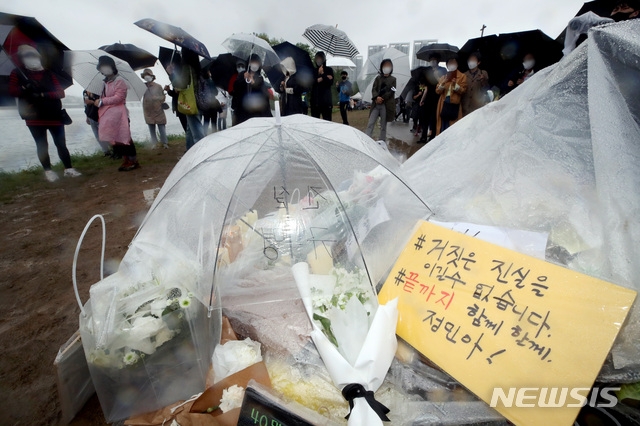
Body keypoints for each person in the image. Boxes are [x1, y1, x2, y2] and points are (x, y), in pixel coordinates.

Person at [8, 45, 81, 182]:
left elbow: (60, 93)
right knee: (42, 145)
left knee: (61, 143)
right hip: (33, 116)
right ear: (22, 59)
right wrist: (25, 87)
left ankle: (69, 168)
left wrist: (43, 94)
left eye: (34, 56)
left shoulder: (49, 73)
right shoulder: (16, 73)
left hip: (54, 114)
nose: (32, 59)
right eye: (27, 56)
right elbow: (12, 91)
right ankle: (48, 171)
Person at [94, 55, 139, 171]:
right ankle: (126, 159)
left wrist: (102, 101)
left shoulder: (119, 81)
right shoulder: (105, 83)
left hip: (120, 115)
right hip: (110, 116)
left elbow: (119, 97)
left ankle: (133, 160)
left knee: (125, 138)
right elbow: (105, 97)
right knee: (117, 139)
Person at [232, 54, 272, 124]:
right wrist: (243, 80)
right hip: (243, 110)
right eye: (253, 62)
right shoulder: (242, 75)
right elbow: (236, 89)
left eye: (257, 63)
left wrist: (253, 83)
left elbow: (263, 94)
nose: (255, 64)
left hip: (256, 111)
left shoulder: (260, 78)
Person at [365, 59, 397, 141]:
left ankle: (382, 141)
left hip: (386, 105)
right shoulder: (378, 78)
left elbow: (392, 91)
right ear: (382, 67)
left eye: (388, 65)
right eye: (385, 65)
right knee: (371, 123)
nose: (386, 67)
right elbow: (374, 89)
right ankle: (367, 139)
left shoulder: (393, 79)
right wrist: (376, 97)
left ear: (391, 67)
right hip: (376, 104)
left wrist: (382, 98)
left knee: (383, 125)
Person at [418, 54, 447, 143]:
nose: (432, 61)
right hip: (428, 98)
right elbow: (426, 87)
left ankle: (432, 136)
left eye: (434, 60)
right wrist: (422, 99)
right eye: (431, 60)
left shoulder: (443, 70)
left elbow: (443, 83)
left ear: (438, 61)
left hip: (437, 97)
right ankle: (423, 137)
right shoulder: (427, 70)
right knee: (424, 118)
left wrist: (437, 76)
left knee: (434, 118)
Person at [435, 56, 467, 135]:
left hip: (454, 104)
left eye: (454, 62)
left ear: (457, 64)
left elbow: (463, 91)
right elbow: (437, 91)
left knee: (452, 124)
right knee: (442, 123)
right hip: (443, 103)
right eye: (450, 63)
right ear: (447, 65)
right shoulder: (444, 77)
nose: (452, 64)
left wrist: (455, 85)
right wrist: (443, 82)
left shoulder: (462, 76)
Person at [141, 69, 169, 149]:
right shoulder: (142, 87)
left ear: (152, 76)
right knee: (151, 127)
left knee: (161, 126)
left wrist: (156, 97)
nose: (147, 76)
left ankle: (165, 143)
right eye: (145, 75)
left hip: (158, 109)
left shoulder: (158, 86)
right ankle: (154, 143)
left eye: (148, 74)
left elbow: (163, 97)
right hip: (148, 110)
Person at [83, 89, 111, 156]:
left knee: (105, 134)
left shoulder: (99, 91)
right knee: (97, 136)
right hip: (90, 115)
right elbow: (85, 104)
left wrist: (93, 101)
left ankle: (114, 149)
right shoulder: (85, 92)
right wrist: (87, 117)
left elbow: (101, 103)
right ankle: (106, 151)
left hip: (100, 115)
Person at [462, 52, 490, 116]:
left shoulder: (483, 73)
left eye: (473, 60)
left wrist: (483, 80)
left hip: (477, 107)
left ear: (478, 62)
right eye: (469, 60)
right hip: (465, 107)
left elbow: (486, 88)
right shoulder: (464, 75)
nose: (471, 62)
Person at [310, 51, 334, 120]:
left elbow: (330, 82)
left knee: (327, 123)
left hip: (326, 102)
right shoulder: (313, 71)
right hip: (315, 101)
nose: (318, 60)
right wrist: (321, 75)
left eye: (320, 58)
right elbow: (312, 82)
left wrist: (322, 74)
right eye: (317, 58)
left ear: (323, 59)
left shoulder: (329, 70)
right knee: (314, 123)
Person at [198, 69, 221, 134]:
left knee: (206, 122)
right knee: (214, 122)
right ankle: (214, 135)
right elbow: (216, 92)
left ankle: (204, 135)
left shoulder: (201, 82)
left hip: (205, 105)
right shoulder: (211, 81)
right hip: (213, 104)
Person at [229, 59, 246, 126]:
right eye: (238, 66)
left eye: (242, 66)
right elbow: (230, 90)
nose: (240, 68)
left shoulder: (247, 76)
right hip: (236, 104)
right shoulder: (234, 77)